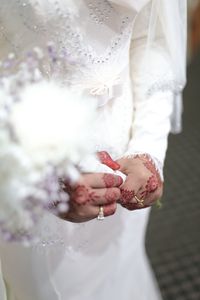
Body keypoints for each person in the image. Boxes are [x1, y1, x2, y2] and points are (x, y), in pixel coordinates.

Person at [0, 1, 187, 299]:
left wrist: (148, 146)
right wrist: (38, 181)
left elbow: (152, 39)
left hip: (126, 148)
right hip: (27, 155)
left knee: (119, 269)